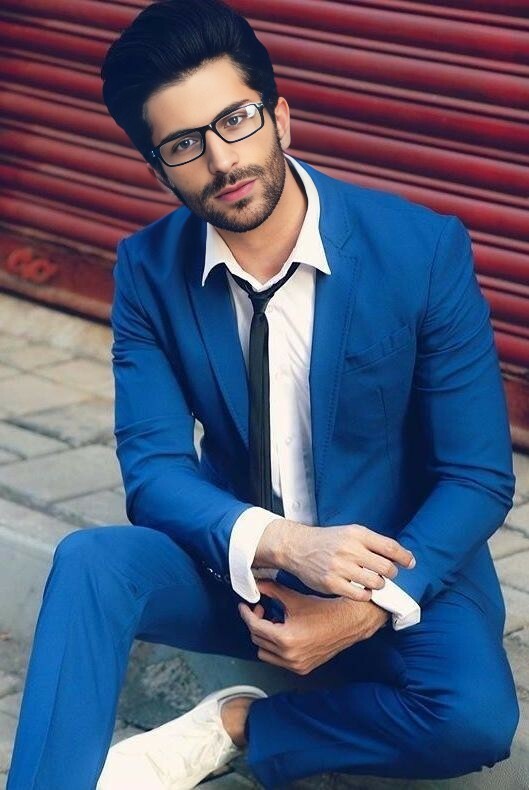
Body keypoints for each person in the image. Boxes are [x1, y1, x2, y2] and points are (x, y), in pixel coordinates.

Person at [7, 1, 519, 788]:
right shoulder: (147, 268)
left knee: (473, 718)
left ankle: (239, 724)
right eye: (184, 144)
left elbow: (477, 476)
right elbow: (154, 472)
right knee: (91, 563)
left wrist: (369, 604)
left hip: (389, 561)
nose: (222, 161)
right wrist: (280, 543)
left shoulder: (418, 248)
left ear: (279, 117)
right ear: (157, 169)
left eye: (235, 121)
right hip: (244, 571)